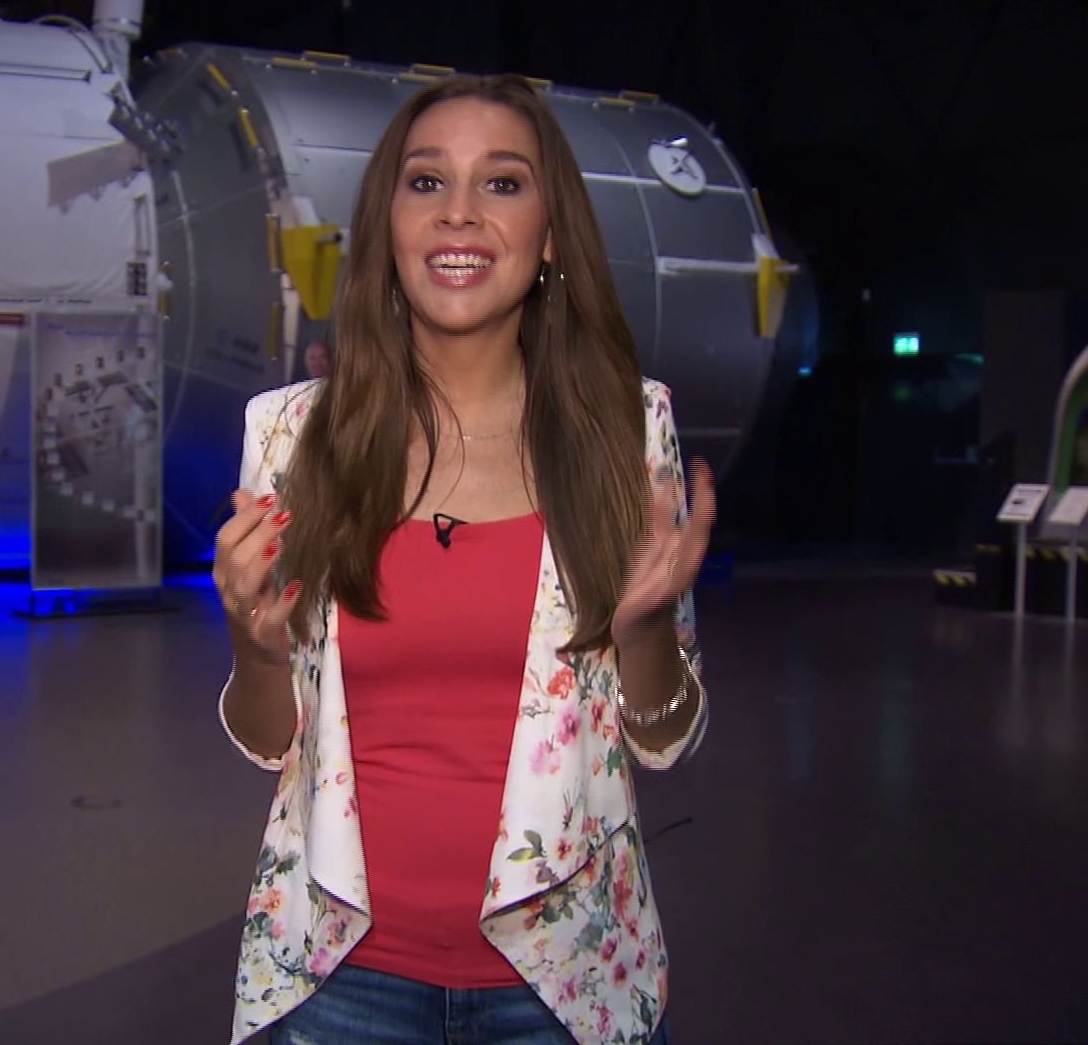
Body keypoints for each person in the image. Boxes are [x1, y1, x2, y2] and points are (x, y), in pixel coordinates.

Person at [211, 73, 716, 1045]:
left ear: (552, 233)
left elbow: (665, 737)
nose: (460, 213)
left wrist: (646, 626)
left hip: (565, 984)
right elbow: (270, 741)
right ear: (388, 222)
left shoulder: (625, 430)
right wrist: (255, 646)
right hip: (340, 984)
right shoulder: (290, 438)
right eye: (427, 181)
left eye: (504, 183)